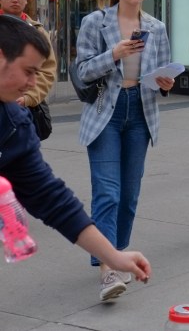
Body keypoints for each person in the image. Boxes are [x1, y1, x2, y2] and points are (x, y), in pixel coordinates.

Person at [0, 15, 151, 296]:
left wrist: (114, 257)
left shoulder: (15, 125)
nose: (34, 83)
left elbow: (52, 199)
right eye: (28, 71)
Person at [74, 0, 174, 300]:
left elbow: (163, 74)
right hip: (106, 111)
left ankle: (118, 254)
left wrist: (165, 83)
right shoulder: (94, 22)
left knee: (129, 196)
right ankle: (108, 270)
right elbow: (83, 70)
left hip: (141, 111)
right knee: (107, 192)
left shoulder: (155, 27)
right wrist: (113, 53)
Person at [0, 0, 56, 140]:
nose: (15, 0)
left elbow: (47, 72)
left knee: (23, 155)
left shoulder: (37, 32)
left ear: (26, 0)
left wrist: (28, 98)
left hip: (24, 107)